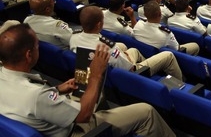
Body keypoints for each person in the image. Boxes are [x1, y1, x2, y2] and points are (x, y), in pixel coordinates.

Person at [0, 23, 176, 137]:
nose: (39, 48)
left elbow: (35, 101)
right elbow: (82, 116)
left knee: (94, 92)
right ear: (29, 54)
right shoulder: (37, 96)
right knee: (146, 111)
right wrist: (97, 74)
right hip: (75, 130)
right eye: (37, 46)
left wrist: (57, 90)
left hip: (46, 119)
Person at [70, 6, 183, 80]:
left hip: (93, 71)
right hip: (131, 74)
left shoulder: (73, 36)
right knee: (169, 55)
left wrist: (123, 55)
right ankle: (180, 83)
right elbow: (129, 68)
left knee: (132, 49)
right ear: (99, 25)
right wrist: (125, 58)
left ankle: (154, 70)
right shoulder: (108, 47)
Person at [133, 1, 199, 55]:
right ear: (160, 14)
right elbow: (177, 49)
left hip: (145, 54)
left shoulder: (137, 25)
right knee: (195, 46)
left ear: (144, 14)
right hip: (164, 57)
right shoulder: (166, 33)